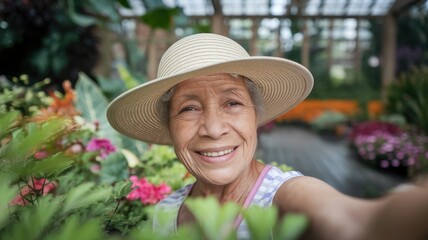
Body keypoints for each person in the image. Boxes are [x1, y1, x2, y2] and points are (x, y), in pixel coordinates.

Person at [107, 33, 428, 239]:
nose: (214, 128)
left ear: (255, 117)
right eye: (189, 109)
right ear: (169, 126)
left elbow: (353, 223)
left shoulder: (284, 198)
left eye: (232, 103)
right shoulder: (165, 212)